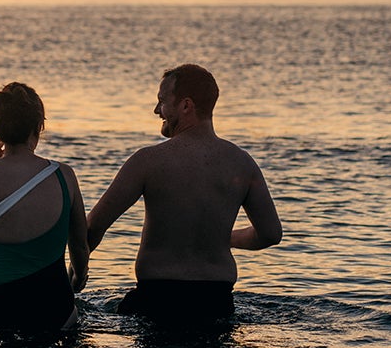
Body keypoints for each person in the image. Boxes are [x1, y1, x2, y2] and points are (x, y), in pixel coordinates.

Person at [85, 64, 281, 321]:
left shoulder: (148, 161)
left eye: (162, 101)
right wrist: (223, 237)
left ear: (186, 106)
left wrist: (75, 271)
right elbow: (270, 234)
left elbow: (93, 227)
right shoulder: (242, 163)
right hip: (217, 304)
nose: (157, 110)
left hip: (156, 302)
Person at [0, 82, 90, 342]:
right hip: (55, 303)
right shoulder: (64, 175)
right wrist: (79, 278)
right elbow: (80, 246)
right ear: (38, 127)